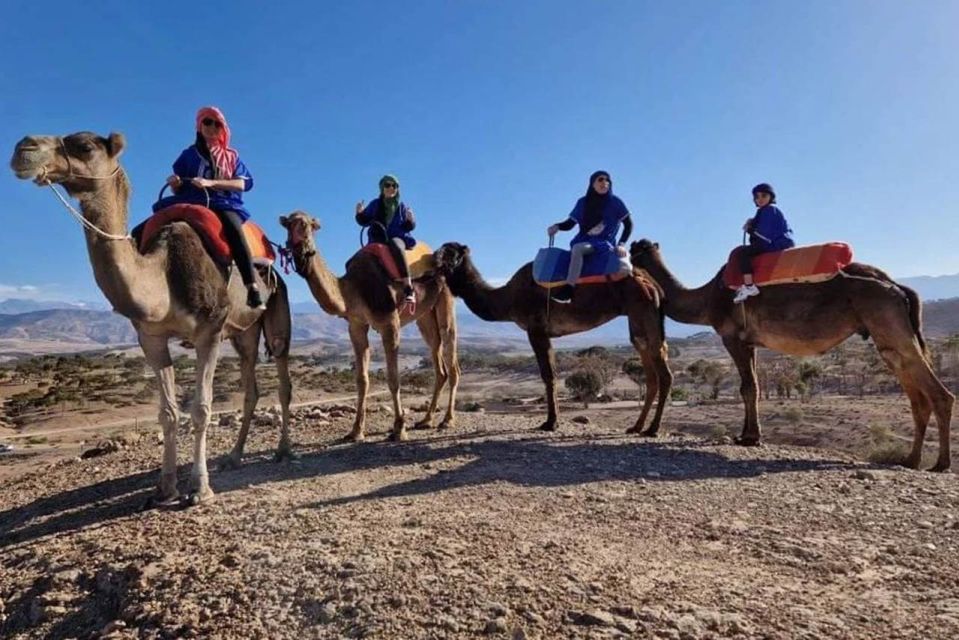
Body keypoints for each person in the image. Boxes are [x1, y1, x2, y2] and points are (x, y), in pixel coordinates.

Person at [153, 106, 264, 309]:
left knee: (233, 230)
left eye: (217, 123)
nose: (212, 127)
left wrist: (210, 183)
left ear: (223, 128)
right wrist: (175, 184)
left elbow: (243, 184)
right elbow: (179, 190)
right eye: (207, 122)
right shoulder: (188, 155)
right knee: (146, 228)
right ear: (199, 125)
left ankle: (252, 286)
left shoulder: (232, 157)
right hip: (190, 200)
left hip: (222, 203)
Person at [546, 170, 633, 303]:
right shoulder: (583, 203)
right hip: (585, 240)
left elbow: (628, 224)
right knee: (577, 247)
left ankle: (569, 288)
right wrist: (557, 226)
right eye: (600, 180)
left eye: (607, 180)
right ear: (592, 184)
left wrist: (621, 244)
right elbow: (570, 224)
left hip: (604, 243)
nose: (604, 183)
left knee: (578, 249)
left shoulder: (615, 202)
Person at [355, 175, 417, 304]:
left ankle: (408, 287)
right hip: (377, 238)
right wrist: (359, 213)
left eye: (394, 186)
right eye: (388, 185)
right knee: (356, 260)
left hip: (396, 236)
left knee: (396, 246)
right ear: (382, 188)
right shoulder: (375, 204)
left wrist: (411, 220)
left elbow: (407, 226)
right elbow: (364, 221)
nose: (391, 188)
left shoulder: (401, 206)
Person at [734, 182, 795, 304]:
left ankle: (749, 286)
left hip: (776, 243)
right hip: (776, 242)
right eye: (757, 197)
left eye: (763, 195)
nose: (760, 199)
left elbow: (765, 235)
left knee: (742, 253)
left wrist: (751, 229)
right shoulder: (764, 212)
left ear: (770, 197)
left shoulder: (770, 210)